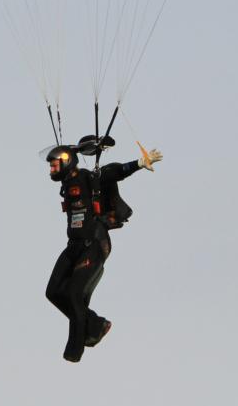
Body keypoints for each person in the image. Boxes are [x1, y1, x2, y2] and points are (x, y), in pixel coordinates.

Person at [44, 138, 163, 362]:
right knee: (53, 292)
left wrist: (139, 163)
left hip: (94, 244)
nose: (51, 170)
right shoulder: (67, 185)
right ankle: (96, 324)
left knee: (75, 294)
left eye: (54, 165)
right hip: (74, 246)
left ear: (66, 162)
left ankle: (75, 350)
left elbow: (111, 173)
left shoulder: (87, 179)